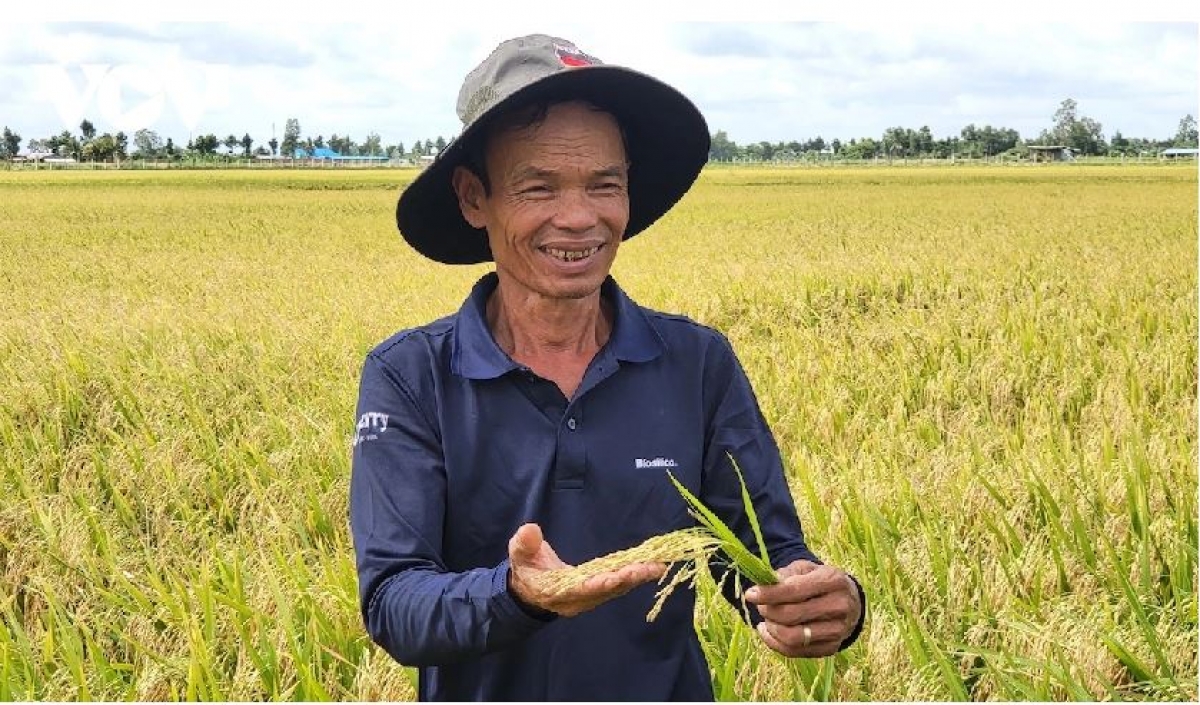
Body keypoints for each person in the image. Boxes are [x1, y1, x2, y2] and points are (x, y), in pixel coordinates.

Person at [349, 34, 866, 701]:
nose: (579, 218)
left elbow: (763, 559)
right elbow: (395, 602)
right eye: (538, 187)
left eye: (605, 185)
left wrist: (822, 601)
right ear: (475, 197)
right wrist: (519, 592)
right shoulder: (411, 376)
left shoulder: (696, 363)